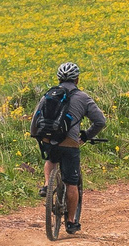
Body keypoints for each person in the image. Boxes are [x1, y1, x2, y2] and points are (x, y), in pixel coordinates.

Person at [30, 61, 109, 235]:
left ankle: (46, 185)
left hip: (48, 139)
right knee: (71, 183)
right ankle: (71, 221)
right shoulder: (83, 97)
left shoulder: (48, 95)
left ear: (58, 78)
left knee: (51, 159)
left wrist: (37, 136)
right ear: (77, 79)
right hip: (70, 143)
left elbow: (35, 118)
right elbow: (100, 121)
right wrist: (86, 135)